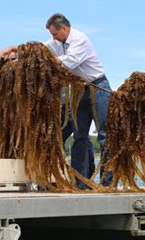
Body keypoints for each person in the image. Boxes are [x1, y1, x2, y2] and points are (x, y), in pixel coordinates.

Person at [44, 13, 112, 188]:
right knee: (79, 135)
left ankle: (107, 182)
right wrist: (14, 50)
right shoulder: (57, 43)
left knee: (105, 134)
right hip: (79, 91)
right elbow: (39, 49)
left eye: (54, 34)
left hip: (98, 88)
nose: (53, 38)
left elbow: (69, 63)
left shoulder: (79, 39)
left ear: (64, 28)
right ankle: (81, 182)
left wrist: (50, 60)